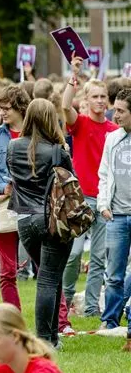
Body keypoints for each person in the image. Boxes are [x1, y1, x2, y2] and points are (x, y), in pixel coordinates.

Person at [7, 99, 74, 345]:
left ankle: (53, 337)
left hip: (25, 220)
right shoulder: (57, 151)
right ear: (50, 119)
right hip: (52, 219)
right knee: (48, 279)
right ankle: (44, 340)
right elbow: (71, 182)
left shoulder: (13, 146)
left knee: (50, 276)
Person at [60, 60, 116, 318]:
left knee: (98, 259)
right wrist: (74, 76)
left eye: (104, 96)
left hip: (105, 200)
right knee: (72, 255)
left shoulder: (115, 130)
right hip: (80, 199)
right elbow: (63, 105)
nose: (100, 100)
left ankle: (92, 307)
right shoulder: (80, 123)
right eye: (95, 96)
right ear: (86, 98)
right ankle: (66, 301)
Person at [0, 85, 30, 309]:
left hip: (34, 206)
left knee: (46, 268)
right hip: (5, 208)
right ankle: (14, 321)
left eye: (7, 107)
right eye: (0, 108)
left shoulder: (35, 133)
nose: (2, 112)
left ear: (20, 107)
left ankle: (60, 322)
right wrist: (3, 187)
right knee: (8, 271)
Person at [97, 88, 131, 333]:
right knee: (114, 274)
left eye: (121, 110)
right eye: (115, 109)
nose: (115, 115)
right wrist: (102, 204)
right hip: (116, 215)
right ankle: (110, 321)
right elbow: (104, 174)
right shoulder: (112, 138)